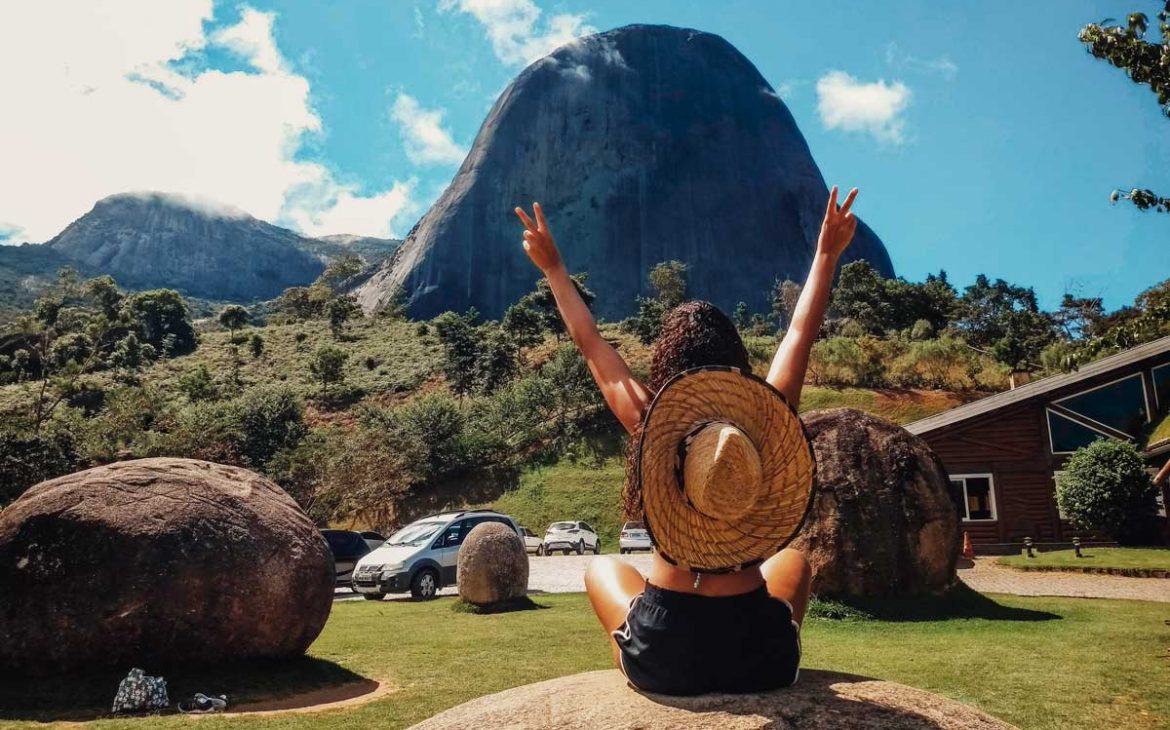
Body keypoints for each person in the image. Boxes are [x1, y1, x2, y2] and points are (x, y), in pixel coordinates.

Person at [514, 186, 859, 695]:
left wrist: (554, 269)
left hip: (665, 653)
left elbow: (592, 345)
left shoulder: (651, 423)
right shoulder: (764, 427)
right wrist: (826, 254)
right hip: (762, 656)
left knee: (603, 568)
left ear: (668, 368)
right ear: (735, 362)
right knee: (794, 561)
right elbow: (797, 337)